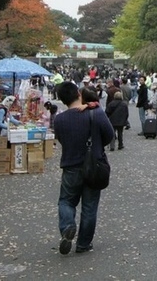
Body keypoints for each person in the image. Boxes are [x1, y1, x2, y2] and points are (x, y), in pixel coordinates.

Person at [53, 80, 114, 255]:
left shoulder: (60, 119)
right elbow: (109, 135)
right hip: (93, 165)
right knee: (89, 206)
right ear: (79, 94)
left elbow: (61, 140)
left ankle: (67, 226)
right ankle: (83, 244)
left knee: (66, 201)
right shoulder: (95, 113)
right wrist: (95, 145)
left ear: (62, 100)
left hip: (70, 166)